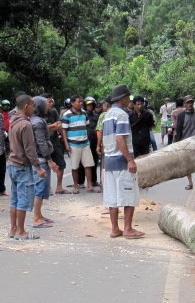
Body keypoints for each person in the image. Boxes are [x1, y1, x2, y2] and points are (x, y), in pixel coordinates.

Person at [102, 85, 145, 240]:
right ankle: (127, 228)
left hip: (109, 160)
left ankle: (115, 229)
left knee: (112, 197)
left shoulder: (107, 115)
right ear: (122, 98)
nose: (130, 100)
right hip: (121, 161)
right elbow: (120, 138)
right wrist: (130, 160)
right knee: (129, 194)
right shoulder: (122, 115)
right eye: (128, 97)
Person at [8, 95, 47, 240]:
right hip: (22, 166)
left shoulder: (12, 121)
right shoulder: (26, 125)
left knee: (15, 199)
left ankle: (13, 229)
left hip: (12, 164)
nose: (34, 109)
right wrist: (38, 168)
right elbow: (30, 149)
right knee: (23, 199)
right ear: (26, 106)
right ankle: (21, 231)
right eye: (32, 106)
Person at [30, 96, 59, 228]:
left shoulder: (36, 120)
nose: (48, 106)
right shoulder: (38, 122)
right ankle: (36, 218)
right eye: (45, 104)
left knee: (41, 189)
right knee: (40, 189)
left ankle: (39, 215)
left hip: (40, 158)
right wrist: (49, 160)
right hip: (41, 159)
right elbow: (41, 142)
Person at [62, 95, 98, 194]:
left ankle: (90, 185)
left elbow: (86, 126)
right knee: (75, 167)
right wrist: (66, 144)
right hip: (73, 144)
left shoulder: (84, 113)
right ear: (72, 103)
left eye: (81, 102)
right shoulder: (67, 115)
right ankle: (76, 186)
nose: (81, 103)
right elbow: (64, 131)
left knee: (88, 165)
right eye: (78, 102)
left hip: (85, 143)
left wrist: (86, 139)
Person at [174, 95, 195, 191]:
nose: (190, 104)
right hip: (185, 142)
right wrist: (177, 143)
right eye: (188, 102)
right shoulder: (181, 115)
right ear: (184, 104)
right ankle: (190, 183)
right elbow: (178, 130)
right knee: (188, 165)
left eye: (191, 102)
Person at [44, 95, 69, 195]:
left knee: (61, 164)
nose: (51, 104)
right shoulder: (37, 113)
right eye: (49, 102)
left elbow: (59, 126)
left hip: (55, 141)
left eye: (51, 101)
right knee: (45, 165)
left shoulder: (54, 111)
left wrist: (47, 127)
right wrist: (52, 126)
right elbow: (38, 128)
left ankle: (59, 187)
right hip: (43, 143)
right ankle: (47, 187)